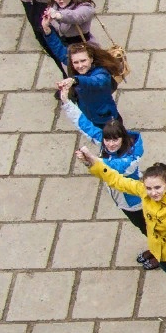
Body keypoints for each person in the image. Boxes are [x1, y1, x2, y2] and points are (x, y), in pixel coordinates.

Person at [77, 152, 166, 333]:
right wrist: (93, 163)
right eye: (149, 188)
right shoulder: (144, 191)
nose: (153, 192)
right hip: (161, 252)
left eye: (157, 187)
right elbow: (118, 181)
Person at [57, 82, 149, 263]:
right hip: (121, 198)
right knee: (144, 227)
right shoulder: (105, 143)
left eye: (115, 140)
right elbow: (84, 124)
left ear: (123, 138)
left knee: (148, 227)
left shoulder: (132, 156)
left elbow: (116, 168)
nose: (110, 144)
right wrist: (67, 102)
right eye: (107, 140)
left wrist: (92, 160)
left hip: (134, 200)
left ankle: (161, 254)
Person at [44, 18, 123, 126]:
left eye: (83, 61)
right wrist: (48, 31)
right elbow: (59, 50)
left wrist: (75, 80)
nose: (80, 66)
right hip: (88, 114)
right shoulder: (77, 67)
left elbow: (94, 81)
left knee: (114, 141)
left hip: (106, 119)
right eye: (75, 62)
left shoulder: (101, 73)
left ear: (91, 59)